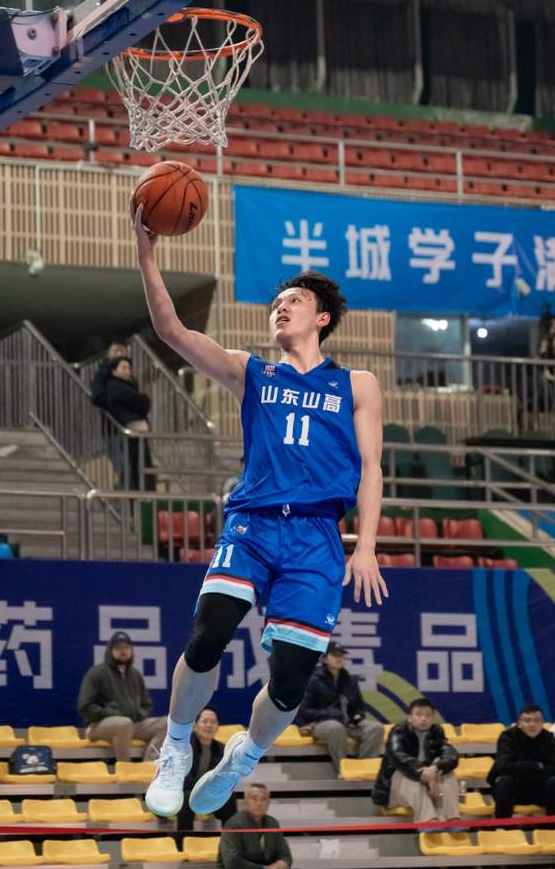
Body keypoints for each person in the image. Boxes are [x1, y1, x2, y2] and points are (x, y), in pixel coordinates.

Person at [131, 204, 388, 820]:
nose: (281, 307)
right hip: (252, 525)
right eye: (276, 302)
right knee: (208, 635)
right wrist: (147, 251)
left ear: (321, 318)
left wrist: (367, 545)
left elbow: (373, 468)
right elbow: (172, 331)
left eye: (294, 300)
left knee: (293, 678)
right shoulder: (253, 372)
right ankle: (175, 747)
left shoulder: (357, 384)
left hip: (317, 537)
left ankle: (242, 757)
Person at [77, 632, 166, 762]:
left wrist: (140, 713)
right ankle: (125, 768)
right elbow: (85, 706)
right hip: (98, 727)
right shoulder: (96, 673)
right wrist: (109, 713)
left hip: (132, 724)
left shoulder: (135, 674)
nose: (123, 651)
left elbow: (147, 704)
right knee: (124, 723)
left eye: (126, 648)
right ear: (110, 651)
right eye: (118, 648)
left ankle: (149, 765)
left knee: (167, 723)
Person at [297, 641, 384, 774]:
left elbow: (359, 706)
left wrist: (358, 715)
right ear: (325, 659)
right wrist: (328, 713)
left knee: (376, 728)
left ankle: (363, 770)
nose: (339, 658)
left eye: (341, 655)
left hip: (347, 722)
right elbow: (304, 711)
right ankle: (343, 771)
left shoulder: (349, 680)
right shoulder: (313, 680)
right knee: (336, 728)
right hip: (319, 724)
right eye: (335, 655)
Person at [372, 698, 459, 822]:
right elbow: (398, 757)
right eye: (418, 714)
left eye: (428, 715)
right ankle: (428, 821)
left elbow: (451, 754)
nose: (423, 719)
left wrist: (435, 768)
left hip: (428, 786)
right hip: (395, 791)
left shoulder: (437, 731)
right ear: (409, 717)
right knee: (409, 777)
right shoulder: (398, 731)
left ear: (433, 718)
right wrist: (425, 773)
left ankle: (452, 819)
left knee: (448, 774)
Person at [488, 703, 555, 818]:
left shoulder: (549, 738)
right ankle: (503, 827)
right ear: (519, 723)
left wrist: (522, 771)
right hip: (513, 788)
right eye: (527, 720)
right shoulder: (508, 737)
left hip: (538, 788)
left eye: (537, 720)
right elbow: (503, 766)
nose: (532, 724)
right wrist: (536, 766)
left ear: (542, 723)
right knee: (505, 781)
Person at [178, 706, 237, 832]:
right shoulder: (184, 747)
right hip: (186, 792)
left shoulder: (222, 749)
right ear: (195, 725)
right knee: (187, 798)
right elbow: (183, 779)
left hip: (209, 793)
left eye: (213, 722)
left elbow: (225, 777)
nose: (209, 725)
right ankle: (181, 840)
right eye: (205, 721)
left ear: (218, 727)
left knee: (229, 798)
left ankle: (230, 838)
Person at [104, 356, 155, 490]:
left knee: (141, 467)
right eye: (123, 368)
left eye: (129, 368)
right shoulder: (115, 386)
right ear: (114, 371)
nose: (127, 371)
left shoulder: (130, 385)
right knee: (134, 468)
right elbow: (140, 403)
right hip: (127, 433)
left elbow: (141, 404)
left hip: (135, 432)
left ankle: (143, 493)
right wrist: (142, 400)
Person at [217, 783, 292, 869]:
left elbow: (286, 856)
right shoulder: (233, 825)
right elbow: (232, 861)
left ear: (268, 803)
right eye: (254, 798)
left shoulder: (273, 823)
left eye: (263, 799)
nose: (259, 803)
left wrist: (282, 863)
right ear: (245, 802)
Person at [90, 338, 131, 409]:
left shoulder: (127, 369)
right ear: (108, 353)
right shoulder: (103, 371)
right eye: (115, 351)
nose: (119, 354)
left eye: (122, 351)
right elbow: (97, 396)